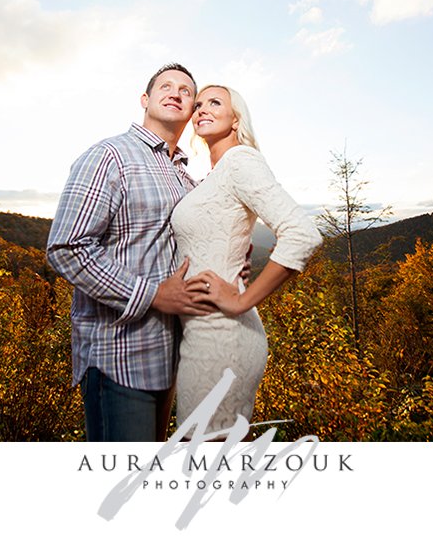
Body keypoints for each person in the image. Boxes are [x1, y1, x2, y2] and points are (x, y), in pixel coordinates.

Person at [46, 63, 216, 442]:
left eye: (186, 91)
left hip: (170, 356)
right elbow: (66, 247)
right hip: (119, 354)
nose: (175, 92)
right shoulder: (110, 156)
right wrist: (153, 294)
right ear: (145, 99)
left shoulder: (183, 175)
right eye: (165, 86)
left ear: (192, 110)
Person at [171, 84, 322, 437]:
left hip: (221, 337)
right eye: (199, 104)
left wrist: (240, 300)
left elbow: (302, 232)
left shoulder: (240, 162)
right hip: (199, 333)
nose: (202, 109)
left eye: (215, 102)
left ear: (236, 118)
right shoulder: (216, 173)